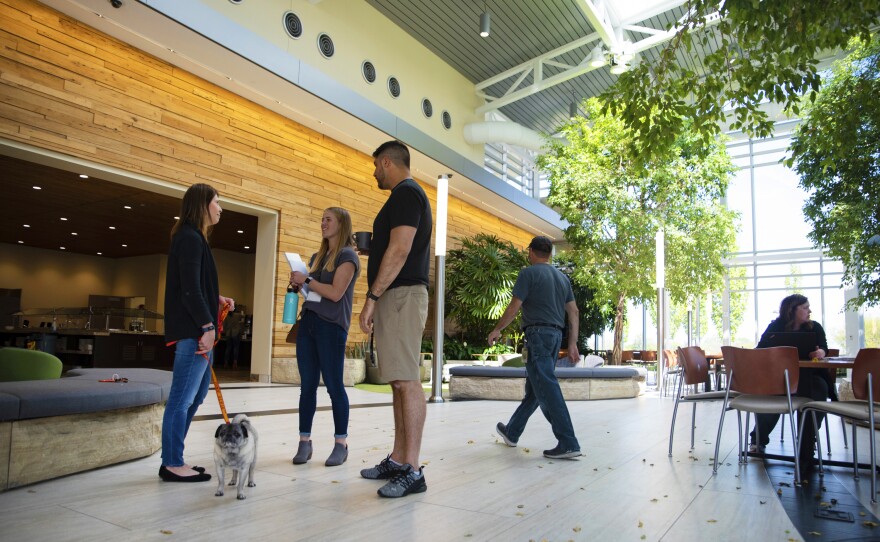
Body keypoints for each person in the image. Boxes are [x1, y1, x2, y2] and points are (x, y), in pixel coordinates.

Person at [358, 141, 432, 498]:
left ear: (387, 162)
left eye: (376, 165)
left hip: (401, 295)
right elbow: (397, 245)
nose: (374, 172)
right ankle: (400, 458)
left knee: (407, 381)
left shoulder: (406, 194)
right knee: (398, 382)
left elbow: (402, 249)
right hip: (396, 296)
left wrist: (371, 297)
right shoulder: (404, 197)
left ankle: (413, 471)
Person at [160, 183, 235, 483]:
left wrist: (215, 298)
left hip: (199, 331)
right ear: (203, 204)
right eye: (217, 202)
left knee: (196, 395)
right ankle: (172, 462)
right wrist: (206, 326)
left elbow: (192, 284)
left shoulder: (194, 238)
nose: (220, 208)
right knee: (181, 399)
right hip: (195, 332)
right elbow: (189, 290)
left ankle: (174, 457)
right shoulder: (190, 238)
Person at [489, 236, 582, 460]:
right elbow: (574, 312)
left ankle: (568, 442)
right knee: (536, 389)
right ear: (549, 253)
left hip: (537, 336)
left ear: (531, 252)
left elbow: (514, 307)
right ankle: (512, 431)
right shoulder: (562, 278)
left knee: (547, 387)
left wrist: (497, 329)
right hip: (554, 337)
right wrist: (572, 344)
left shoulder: (528, 273)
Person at [289, 207, 360, 467]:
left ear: (342, 224)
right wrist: (300, 285)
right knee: (307, 386)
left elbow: (335, 292)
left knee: (333, 386)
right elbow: (315, 292)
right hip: (308, 323)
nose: (323, 223)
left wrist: (306, 279)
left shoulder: (348, 256)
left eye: (328, 219)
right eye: (321, 219)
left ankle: (341, 444)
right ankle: (304, 442)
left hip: (331, 327)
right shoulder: (318, 257)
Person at [748, 294, 835, 476]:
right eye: (805, 307)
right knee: (771, 395)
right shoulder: (775, 327)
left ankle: (806, 441)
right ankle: (758, 439)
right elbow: (760, 349)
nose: (809, 310)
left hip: (810, 376)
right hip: (781, 377)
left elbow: (824, 348)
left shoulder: (815, 327)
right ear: (792, 310)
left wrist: (820, 352)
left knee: (819, 391)